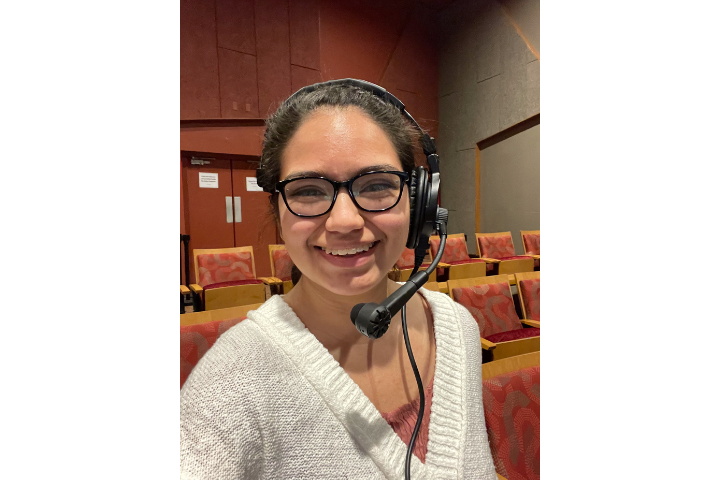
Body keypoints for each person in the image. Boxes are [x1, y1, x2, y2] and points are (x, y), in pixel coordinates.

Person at [180, 81, 498, 479]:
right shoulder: (230, 383)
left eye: (378, 184)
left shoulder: (458, 329)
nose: (345, 221)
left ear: (420, 202)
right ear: (278, 211)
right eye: (309, 191)